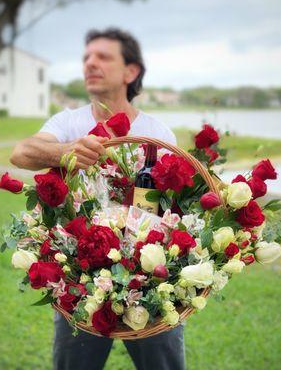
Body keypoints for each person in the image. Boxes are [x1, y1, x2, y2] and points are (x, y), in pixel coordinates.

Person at [10, 28, 185, 370]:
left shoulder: (158, 134)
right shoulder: (68, 122)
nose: (90, 63)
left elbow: (176, 205)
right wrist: (65, 151)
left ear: (130, 72)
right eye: (86, 57)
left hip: (150, 276)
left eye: (103, 57)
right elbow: (20, 153)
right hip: (80, 278)